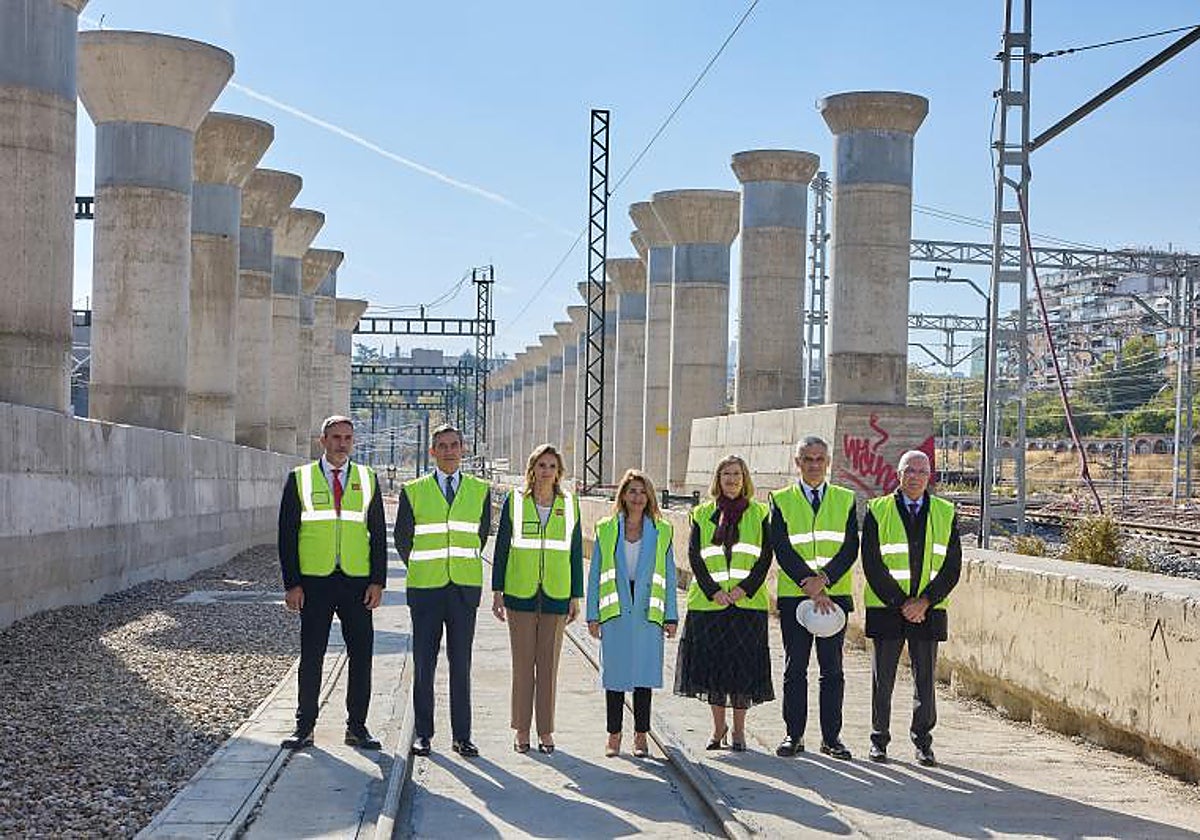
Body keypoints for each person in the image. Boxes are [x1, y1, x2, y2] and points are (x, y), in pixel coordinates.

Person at [278, 415, 388, 750]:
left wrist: (377, 581)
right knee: (312, 655)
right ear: (322, 441)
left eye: (348, 438)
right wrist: (292, 583)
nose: (342, 443)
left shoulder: (368, 479)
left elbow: (378, 535)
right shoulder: (300, 479)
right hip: (315, 582)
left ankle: (357, 727)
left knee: (361, 655)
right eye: (336, 437)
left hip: (356, 582)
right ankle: (304, 727)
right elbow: (287, 535)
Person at [394, 424, 492, 758]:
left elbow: (481, 535)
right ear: (432, 451)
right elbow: (403, 540)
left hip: (463, 591)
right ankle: (423, 734)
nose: (449, 451)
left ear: (463, 449)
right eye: (442, 446)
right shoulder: (414, 490)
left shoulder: (480, 490)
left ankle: (462, 736)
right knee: (424, 664)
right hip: (426, 589)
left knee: (461, 664)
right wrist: (425, 568)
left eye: (454, 445)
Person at [861, 449, 962, 767]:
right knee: (883, 679)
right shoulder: (878, 510)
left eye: (922, 471)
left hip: (929, 610)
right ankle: (879, 740)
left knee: (925, 680)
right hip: (888, 608)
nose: (916, 476)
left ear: (929, 475)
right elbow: (872, 563)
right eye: (910, 470)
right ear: (898, 474)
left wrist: (925, 601)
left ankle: (923, 742)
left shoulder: (945, 512)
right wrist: (902, 602)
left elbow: (952, 565)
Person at [674, 455, 774, 751]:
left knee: (742, 671)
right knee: (714, 670)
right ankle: (718, 728)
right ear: (717, 479)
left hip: (747, 604)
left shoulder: (760, 513)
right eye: (726, 474)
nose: (731, 479)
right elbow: (695, 556)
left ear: (745, 480)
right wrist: (713, 591)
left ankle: (739, 732)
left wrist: (744, 589)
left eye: (737, 474)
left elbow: (765, 557)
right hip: (710, 604)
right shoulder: (702, 513)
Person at [769, 435, 859, 760]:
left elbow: (850, 547)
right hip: (797, 596)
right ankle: (794, 734)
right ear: (797, 463)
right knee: (796, 669)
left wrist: (825, 581)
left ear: (828, 462)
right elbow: (781, 546)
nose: (814, 465)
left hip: (834, 599)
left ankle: (831, 738)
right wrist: (810, 584)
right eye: (807, 459)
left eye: (820, 459)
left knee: (832, 670)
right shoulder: (780, 500)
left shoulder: (845, 499)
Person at [491, 444, 584, 754]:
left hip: (557, 594)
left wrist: (575, 594)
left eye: (552, 466)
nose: (547, 471)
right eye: (542, 465)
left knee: (548, 667)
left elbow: (573, 553)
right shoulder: (514, 502)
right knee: (522, 666)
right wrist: (497, 591)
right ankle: (521, 731)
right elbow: (502, 547)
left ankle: (546, 731)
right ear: (533, 469)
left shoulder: (570, 504)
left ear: (559, 472)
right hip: (520, 593)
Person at [586, 469, 678, 758]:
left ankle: (641, 734)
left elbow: (670, 576)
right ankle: (613, 734)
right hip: (616, 610)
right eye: (632, 491)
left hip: (648, 610)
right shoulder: (607, 529)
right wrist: (593, 614)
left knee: (643, 676)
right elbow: (596, 573)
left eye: (642, 491)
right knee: (615, 676)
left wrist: (671, 616)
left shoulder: (662, 531)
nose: (637, 497)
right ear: (623, 495)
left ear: (649, 496)